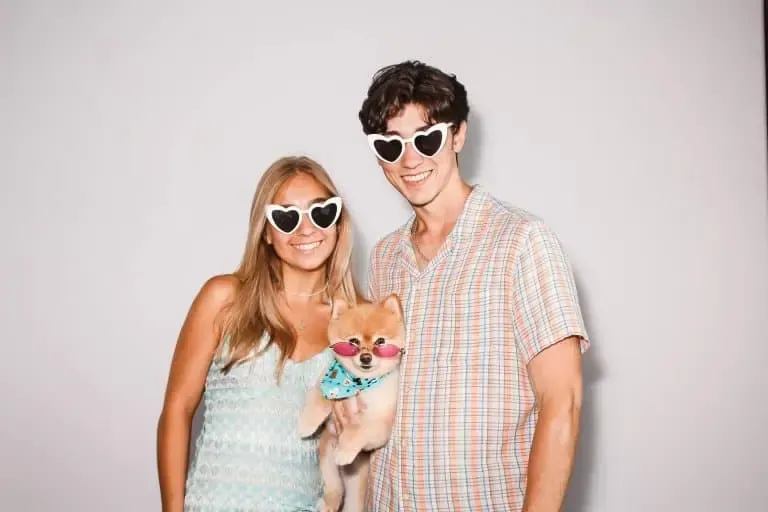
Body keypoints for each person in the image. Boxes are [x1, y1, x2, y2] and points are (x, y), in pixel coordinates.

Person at [333, 60, 591, 511]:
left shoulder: (523, 241)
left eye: (426, 138)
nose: (409, 160)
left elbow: (562, 403)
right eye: (390, 146)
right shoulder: (385, 257)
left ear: (458, 135)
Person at [156, 155, 364, 511]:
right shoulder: (224, 298)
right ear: (266, 232)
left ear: (338, 221)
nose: (306, 229)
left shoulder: (357, 325)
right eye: (286, 217)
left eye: (320, 212)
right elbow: (177, 409)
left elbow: (362, 445)